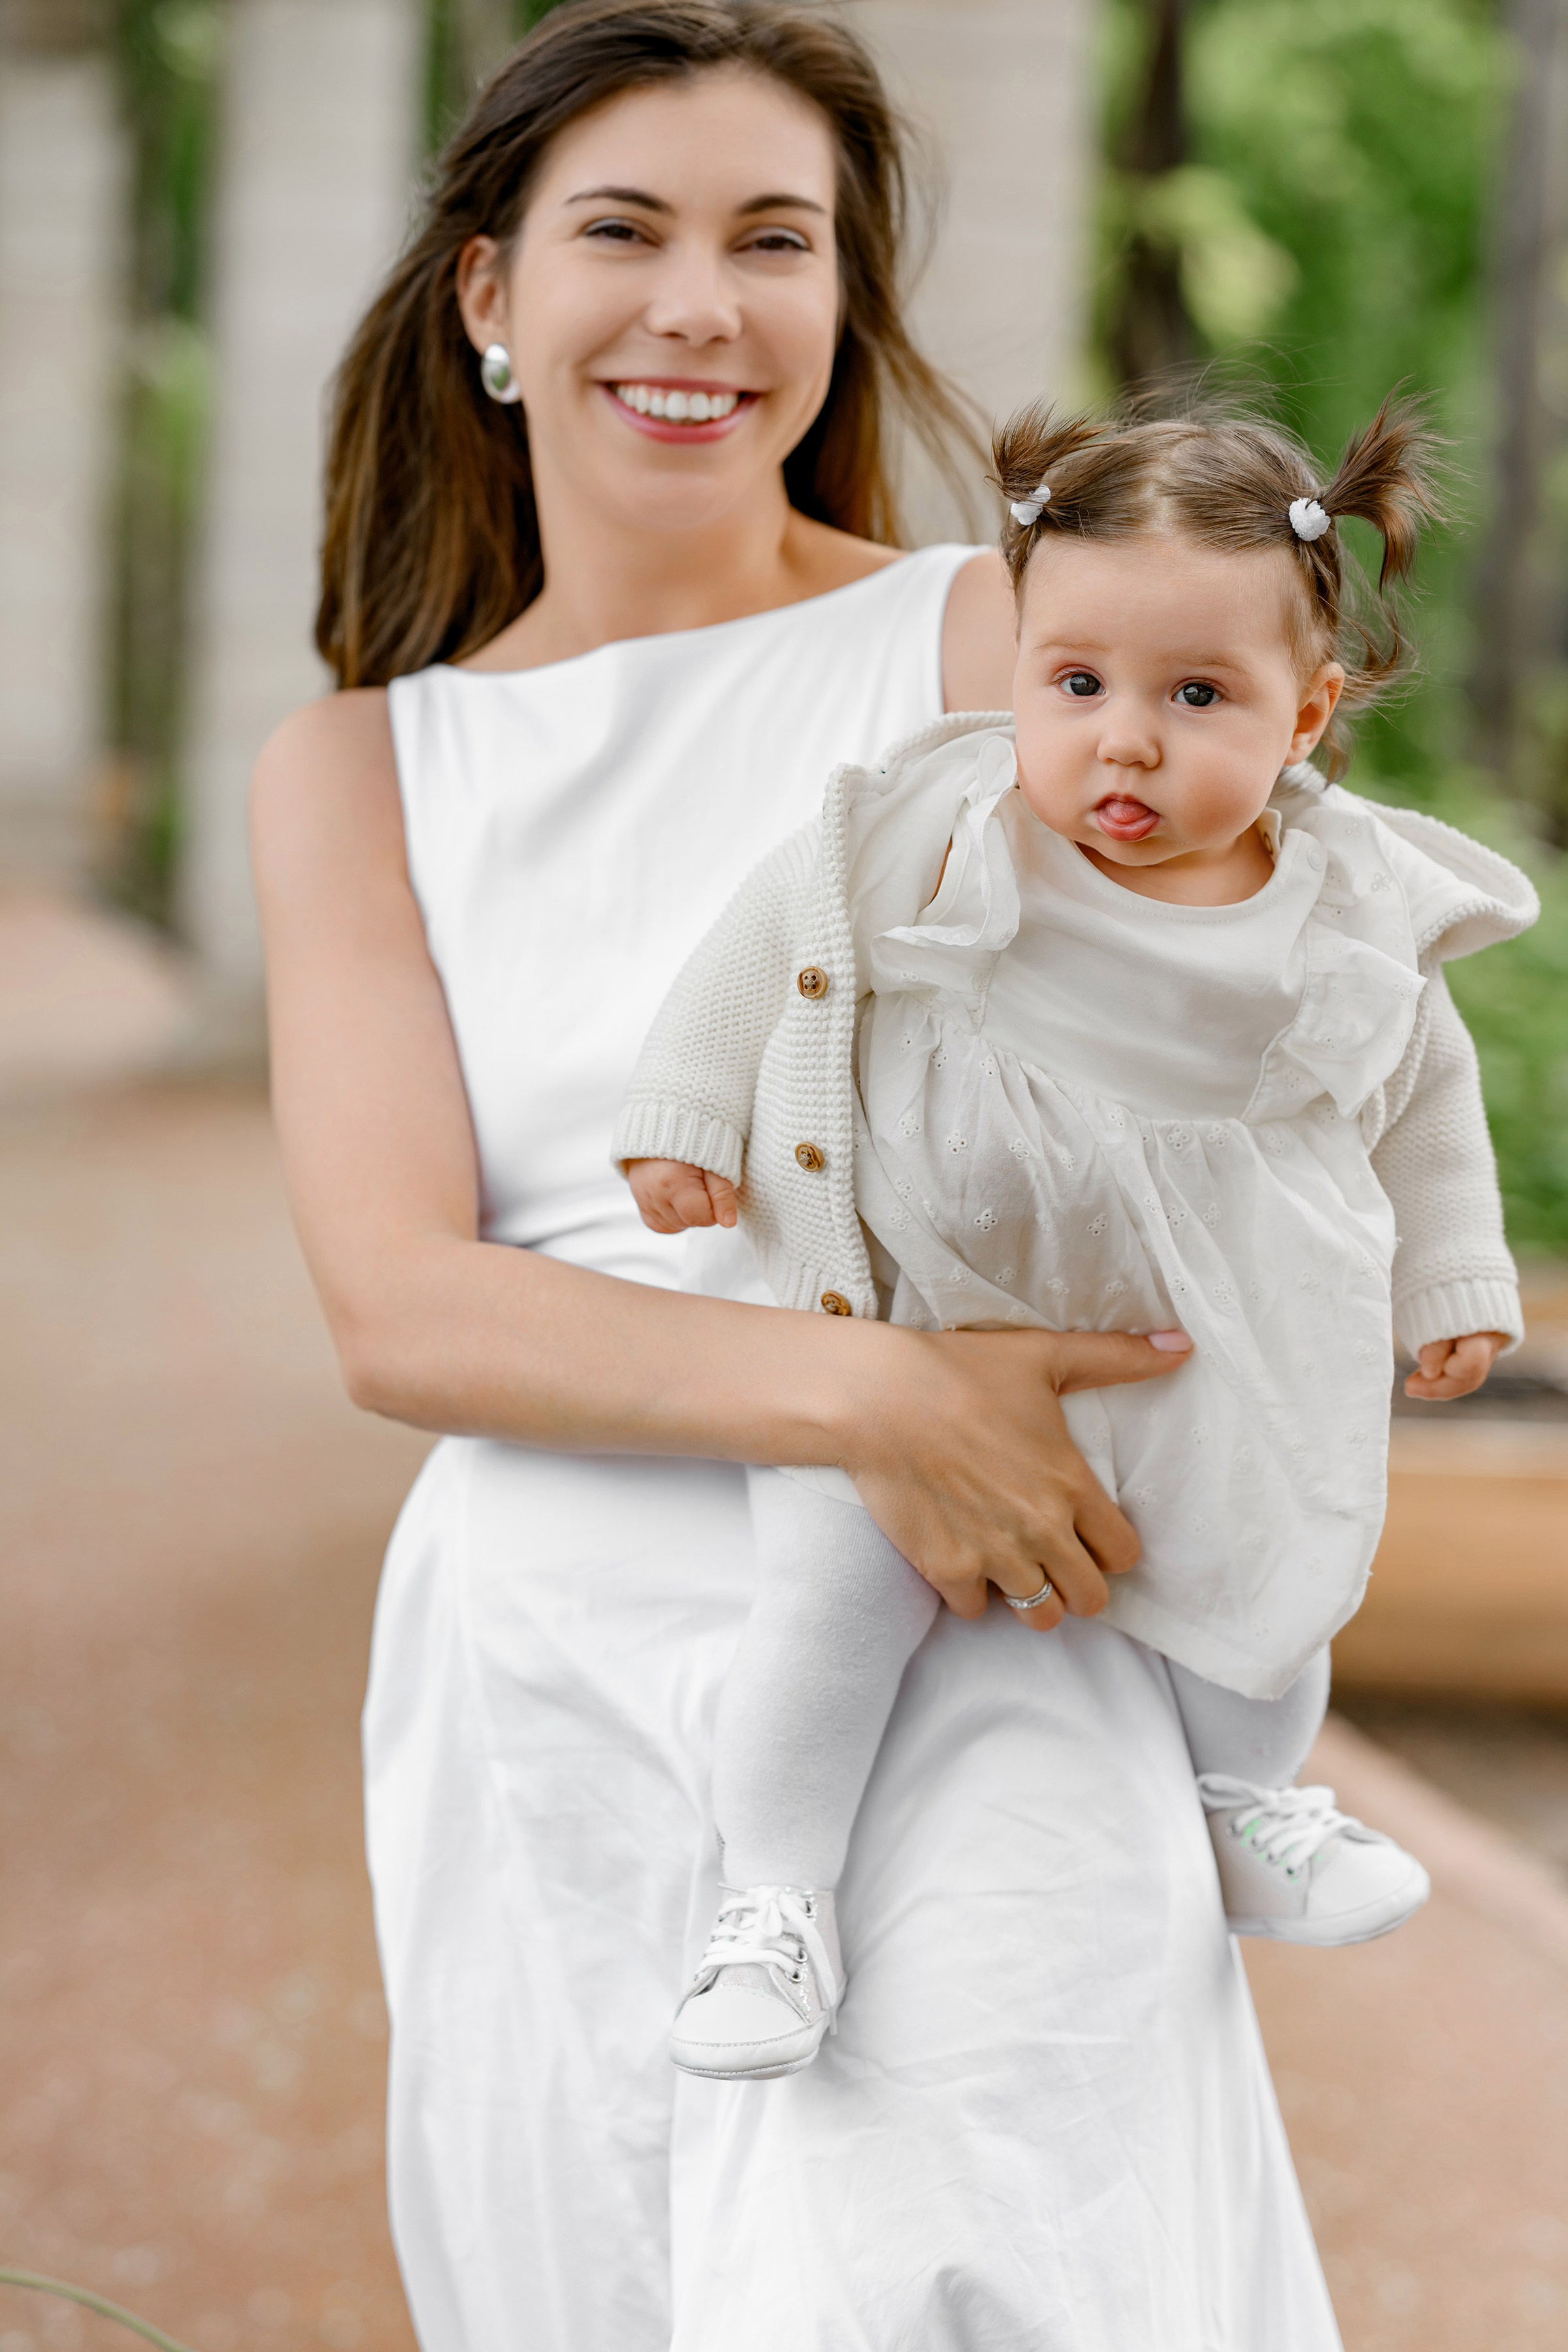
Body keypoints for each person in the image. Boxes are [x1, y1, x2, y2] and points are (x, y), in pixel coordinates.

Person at [252, 3, 1347, 2343]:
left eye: (778, 240)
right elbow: (400, 1309)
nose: (699, 306)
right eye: (621, 232)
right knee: (605, 2271)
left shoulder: (1001, 649)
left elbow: (1253, 1051)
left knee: (991, 2268)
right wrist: (870, 1398)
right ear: (487, 299)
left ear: (840, 301)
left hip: (977, 1631)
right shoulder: (361, 767)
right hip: (550, 1653)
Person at [620, 395, 1537, 2083]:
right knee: (829, 1602)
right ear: (1018, 669)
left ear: (1308, 713)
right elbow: (771, 938)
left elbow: (1420, 1089)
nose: (1123, 740)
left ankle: (1254, 1806)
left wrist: (1453, 1272)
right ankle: (773, 1903)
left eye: (1197, 697)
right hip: (912, 1321)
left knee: (1274, 1562)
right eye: (1077, 683)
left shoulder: (1342, 906)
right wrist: (686, 1111)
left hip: (1209, 1339)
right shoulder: (947, 828)